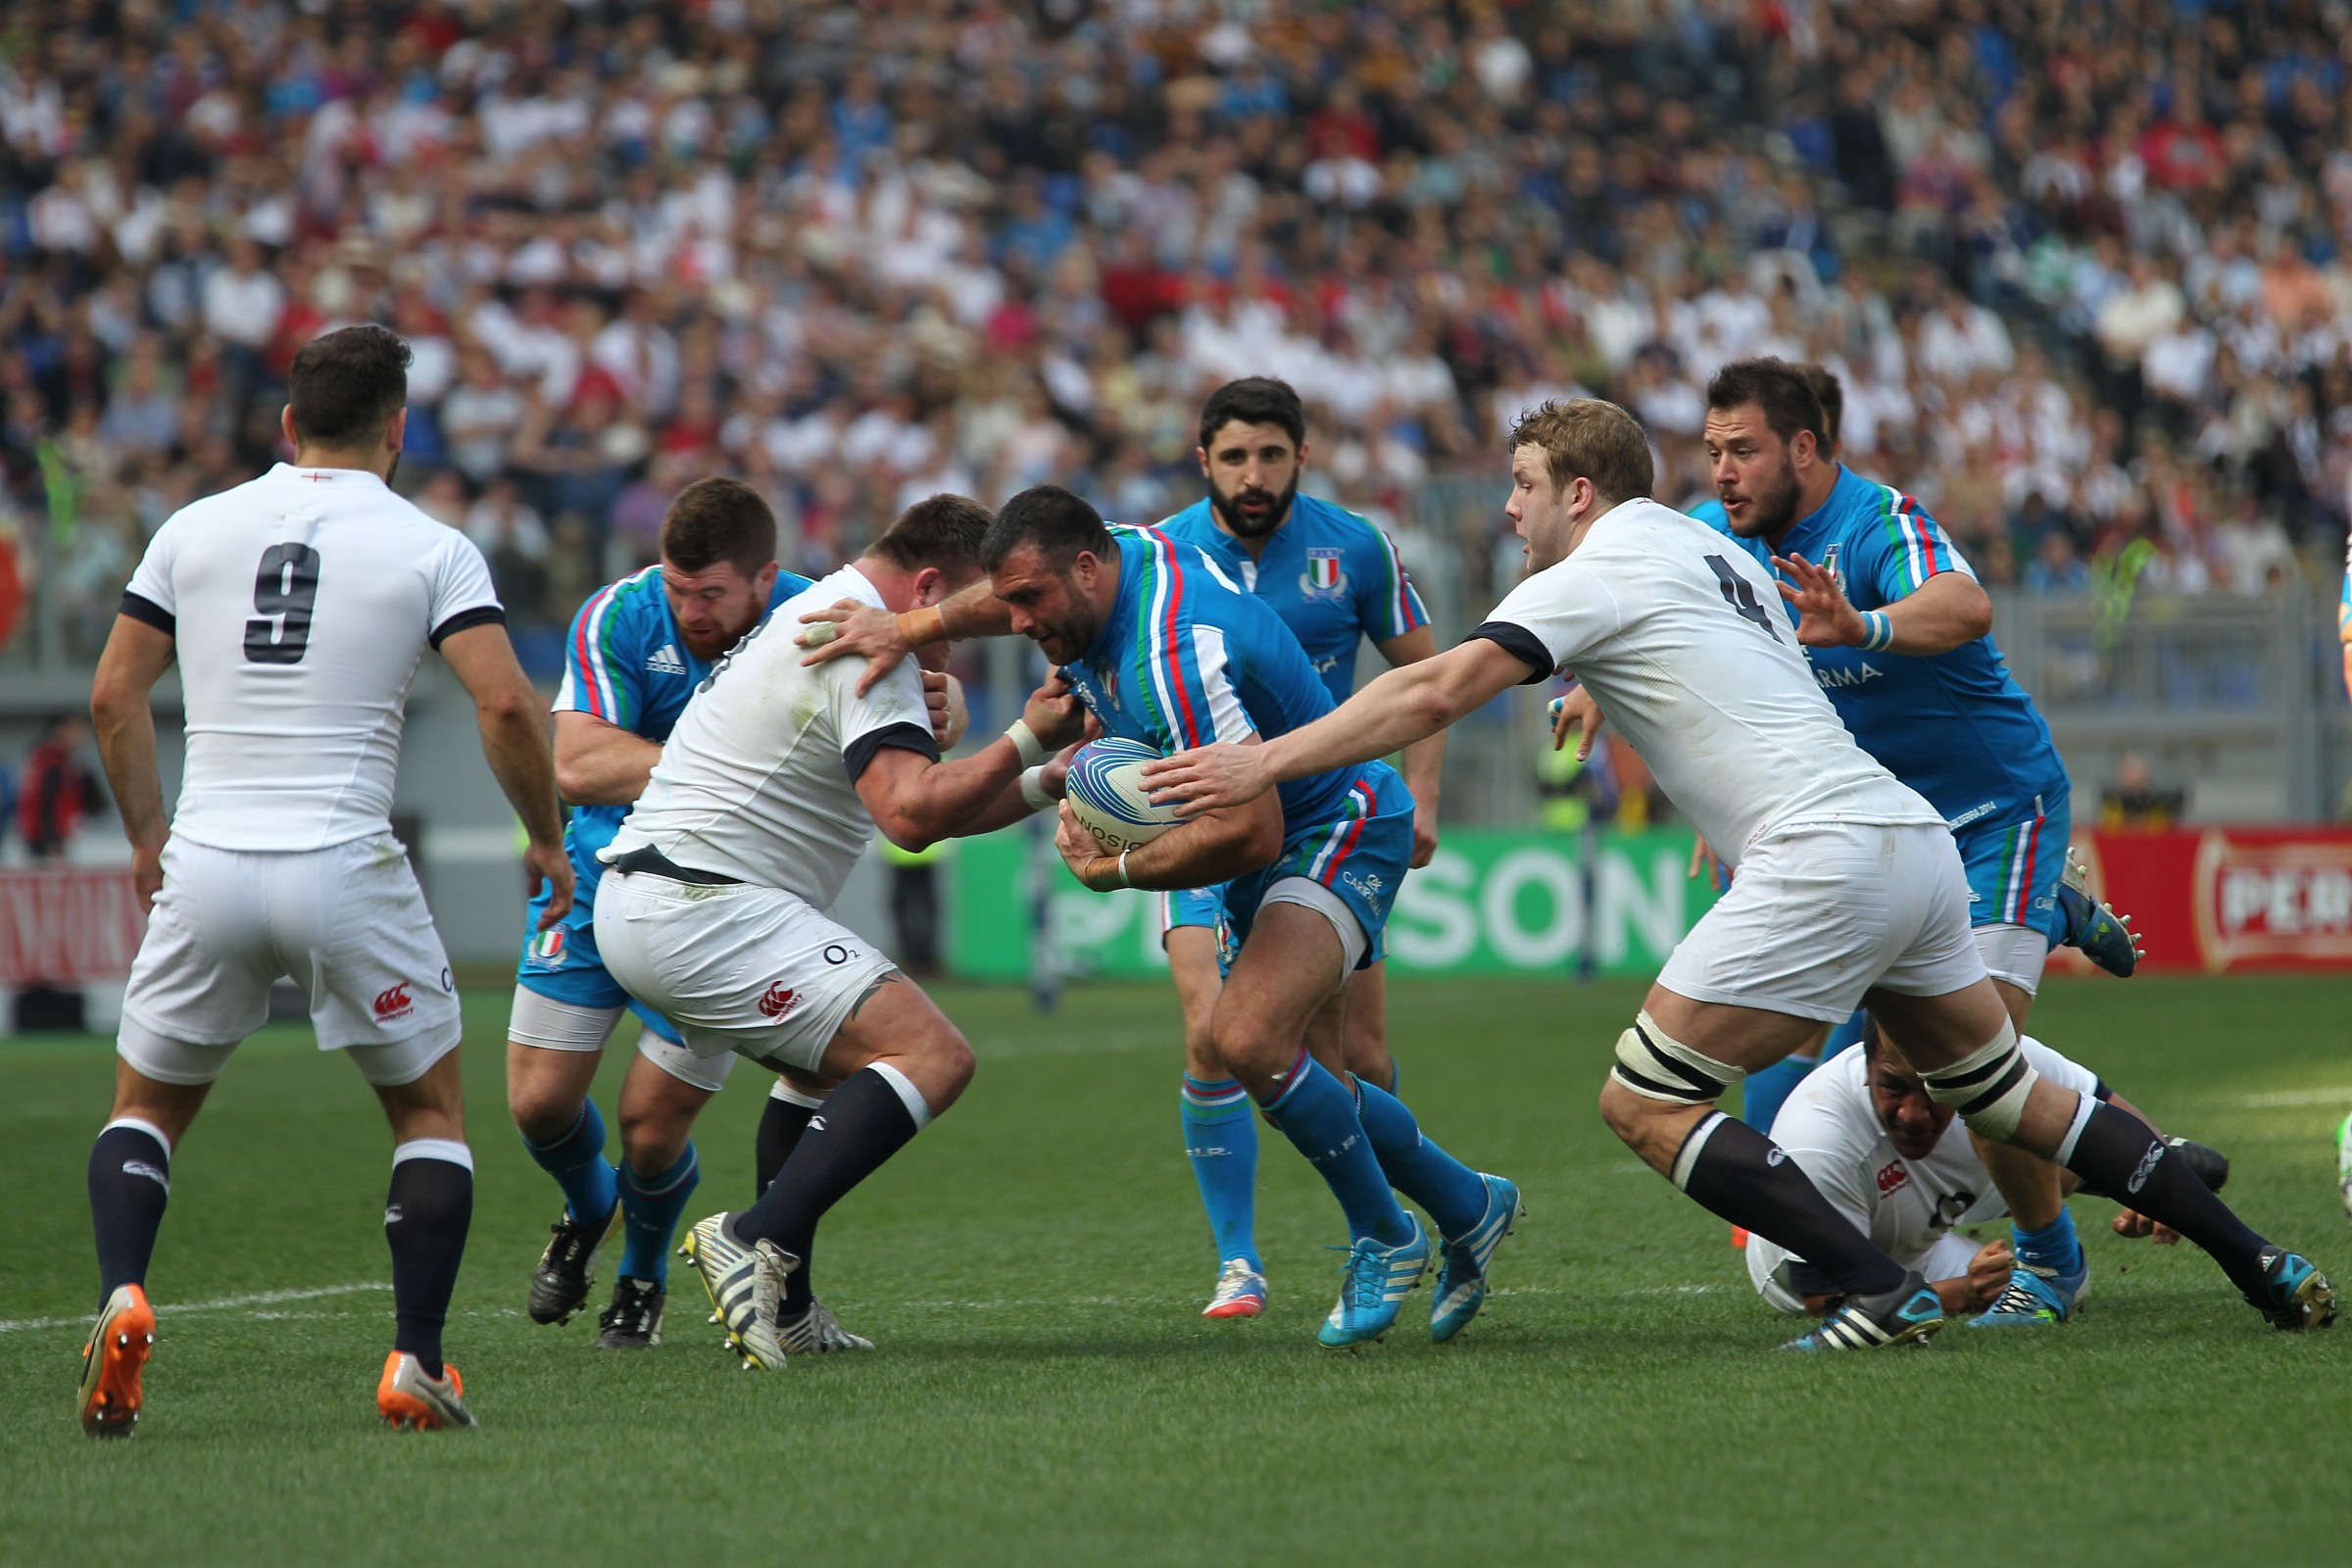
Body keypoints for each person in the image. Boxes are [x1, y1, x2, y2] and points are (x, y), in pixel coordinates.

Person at [1144, 396, 2334, 1350]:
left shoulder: (1587, 569)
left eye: (1519, 486)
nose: (1507, 511)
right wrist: (1599, 691)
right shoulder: (1709, 553)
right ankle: (2258, 1259)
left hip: (1820, 854)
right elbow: (1709, 669)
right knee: (2004, 1089)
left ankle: (1877, 1285)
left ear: (1577, 490)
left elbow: (1433, 687)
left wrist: (1262, 764)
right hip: (1906, 839)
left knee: (1642, 1102)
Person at [80, 324, 572, 1434]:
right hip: (345, 864)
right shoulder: (431, 545)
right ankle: (418, 1362)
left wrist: (149, 833)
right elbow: (504, 703)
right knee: (427, 1111)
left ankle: (121, 1288)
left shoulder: (191, 529)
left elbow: (115, 696)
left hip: (207, 859)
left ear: (288, 422)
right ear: (399, 430)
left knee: (147, 1108)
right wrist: (544, 836)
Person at [981, 485, 1519, 1348]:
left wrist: (1117, 870)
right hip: (1271, 840)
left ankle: (1386, 1235)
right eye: (1006, 601)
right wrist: (912, 630)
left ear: (1087, 569)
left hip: (1333, 819)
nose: (1014, 623)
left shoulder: (1170, 655)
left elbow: (1249, 829)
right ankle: (1470, 1202)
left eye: (1029, 601)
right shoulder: (1122, 551)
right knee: (1318, 1080)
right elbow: (1012, 582)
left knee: (1248, 1039)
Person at [595, 495, 1084, 1370]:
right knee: (935, 1058)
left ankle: (788, 1305)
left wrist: (1051, 777)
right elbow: (908, 816)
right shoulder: (869, 641)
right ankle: (750, 1236)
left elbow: (932, 811)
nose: (963, 639)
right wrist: (1022, 736)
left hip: (661, 900)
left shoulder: (822, 611)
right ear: (928, 586)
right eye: (967, 615)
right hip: (700, 906)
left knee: (827, 1074)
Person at [1150, 377, 1446, 1319]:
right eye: (1234, 456)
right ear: (1204, 461)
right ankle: (1239, 1262)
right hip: (1208, 825)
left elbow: (1428, 677)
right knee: (1215, 1032)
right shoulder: (1161, 556)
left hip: (1327, 821)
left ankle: (1388, 1222)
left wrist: (1425, 802)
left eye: (1271, 455)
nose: (1253, 474)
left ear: (1301, 456)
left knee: (1355, 1054)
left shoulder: (1353, 547)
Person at [505, 477, 817, 1351]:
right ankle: (587, 1207)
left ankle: (642, 1275)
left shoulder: (815, 621)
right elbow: (580, 766)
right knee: (537, 1105)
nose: (689, 610)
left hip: (728, 901)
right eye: (678, 589)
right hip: (598, 870)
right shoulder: (621, 615)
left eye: (710, 594)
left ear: (765, 579)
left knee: (649, 1127)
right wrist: (736, 762)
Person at [1746, 1018, 2229, 1322]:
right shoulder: (1820, 1140)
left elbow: (2107, 1111)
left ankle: (2120, 1174)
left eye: (1932, 1090)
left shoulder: (1995, 1062)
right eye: (1893, 1088)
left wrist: (2152, 1175)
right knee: (1999, 1280)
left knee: (2062, 1135)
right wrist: (1965, 1291)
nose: (1913, 1114)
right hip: (1828, 1262)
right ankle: (2093, 1179)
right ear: (1865, 1065)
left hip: (1936, 1210)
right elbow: (1825, 1303)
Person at [18, 713, 106, 858]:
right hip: (48, 838)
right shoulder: (51, 760)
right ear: (61, 729)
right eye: (76, 728)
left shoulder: (47, 757)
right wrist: (51, 838)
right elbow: (46, 799)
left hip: (46, 835)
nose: (82, 734)